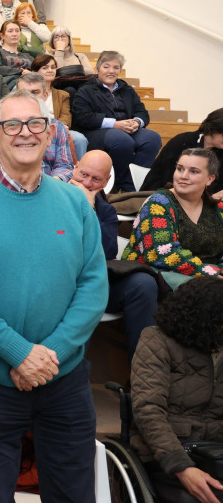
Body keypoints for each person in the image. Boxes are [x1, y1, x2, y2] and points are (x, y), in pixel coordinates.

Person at [0, 90, 108, 502]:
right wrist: (19, 354)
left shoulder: (75, 201)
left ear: (50, 134)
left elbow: (94, 285)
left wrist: (47, 355)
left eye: (34, 124)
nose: (24, 133)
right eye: (10, 126)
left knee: (73, 494)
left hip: (63, 379)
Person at [130, 278, 223, 503]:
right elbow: (148, 410)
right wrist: (182, 466)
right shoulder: (156, 340)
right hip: (167, 452)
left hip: (214, 450)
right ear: (205, 318)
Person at [68, 150, 160, 361]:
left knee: (143, 284)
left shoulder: (104, 209)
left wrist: (89, 210)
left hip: (96, 281)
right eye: (83, 175)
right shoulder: (52, 197)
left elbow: (107, 251)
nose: (87, 183)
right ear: (75, 168)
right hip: (61, 282)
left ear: (107, 181)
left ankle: (142, 377)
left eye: (96, 179)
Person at [122, 148, 223, 289]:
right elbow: (161, 253)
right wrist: (207, 272)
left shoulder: (217, 208)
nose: (184, 176)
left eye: (193, 171)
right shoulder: (158, 202)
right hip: (154, 278)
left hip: (205, 278)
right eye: (180, 169)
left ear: (210, 179)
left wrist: (218, 272)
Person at [72, 50, 162, 192]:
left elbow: (142, 112)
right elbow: (83, 117)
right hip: (98, 131)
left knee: (152, 139)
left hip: (128, 129)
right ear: (98, 69)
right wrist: (114, 124)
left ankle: (130, 187)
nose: (111, 71)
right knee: (122, 140)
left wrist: (137, 122)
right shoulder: (86, 90)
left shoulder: (127, 90)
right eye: (106, 67)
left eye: (116, 67)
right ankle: (114, 186)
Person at [0, 72, 75, 181]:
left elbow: (65, 166)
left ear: (45, 95)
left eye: (35, 92)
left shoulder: (58, 127)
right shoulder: (0, 125)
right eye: (23, 93)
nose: (25, 133)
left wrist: (48, 185)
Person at [143, 108, 223, 198]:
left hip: (198, 199)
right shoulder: (182, 142)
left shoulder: (219, 150)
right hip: (161, 197)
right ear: (211, 130)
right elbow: (171, 182)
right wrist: (212, 198)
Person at [30, 54, 89, 160]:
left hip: (57, 128)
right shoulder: (26, 91)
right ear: (35, 72)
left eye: (53, 67)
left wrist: (59, 126)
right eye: (45, 68)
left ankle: (80, 173)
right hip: (33, 127)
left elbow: (66, 117)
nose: (50, 70)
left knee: (79, 138)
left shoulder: (63, 94)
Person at [0, 20, 33, 88]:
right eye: (10, 31)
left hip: (30, 85)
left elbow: (37, 72)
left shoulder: (27, 56)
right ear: (2, 35)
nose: (14, 34)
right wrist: (19, 71)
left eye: (17, 31)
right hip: (9, 87)